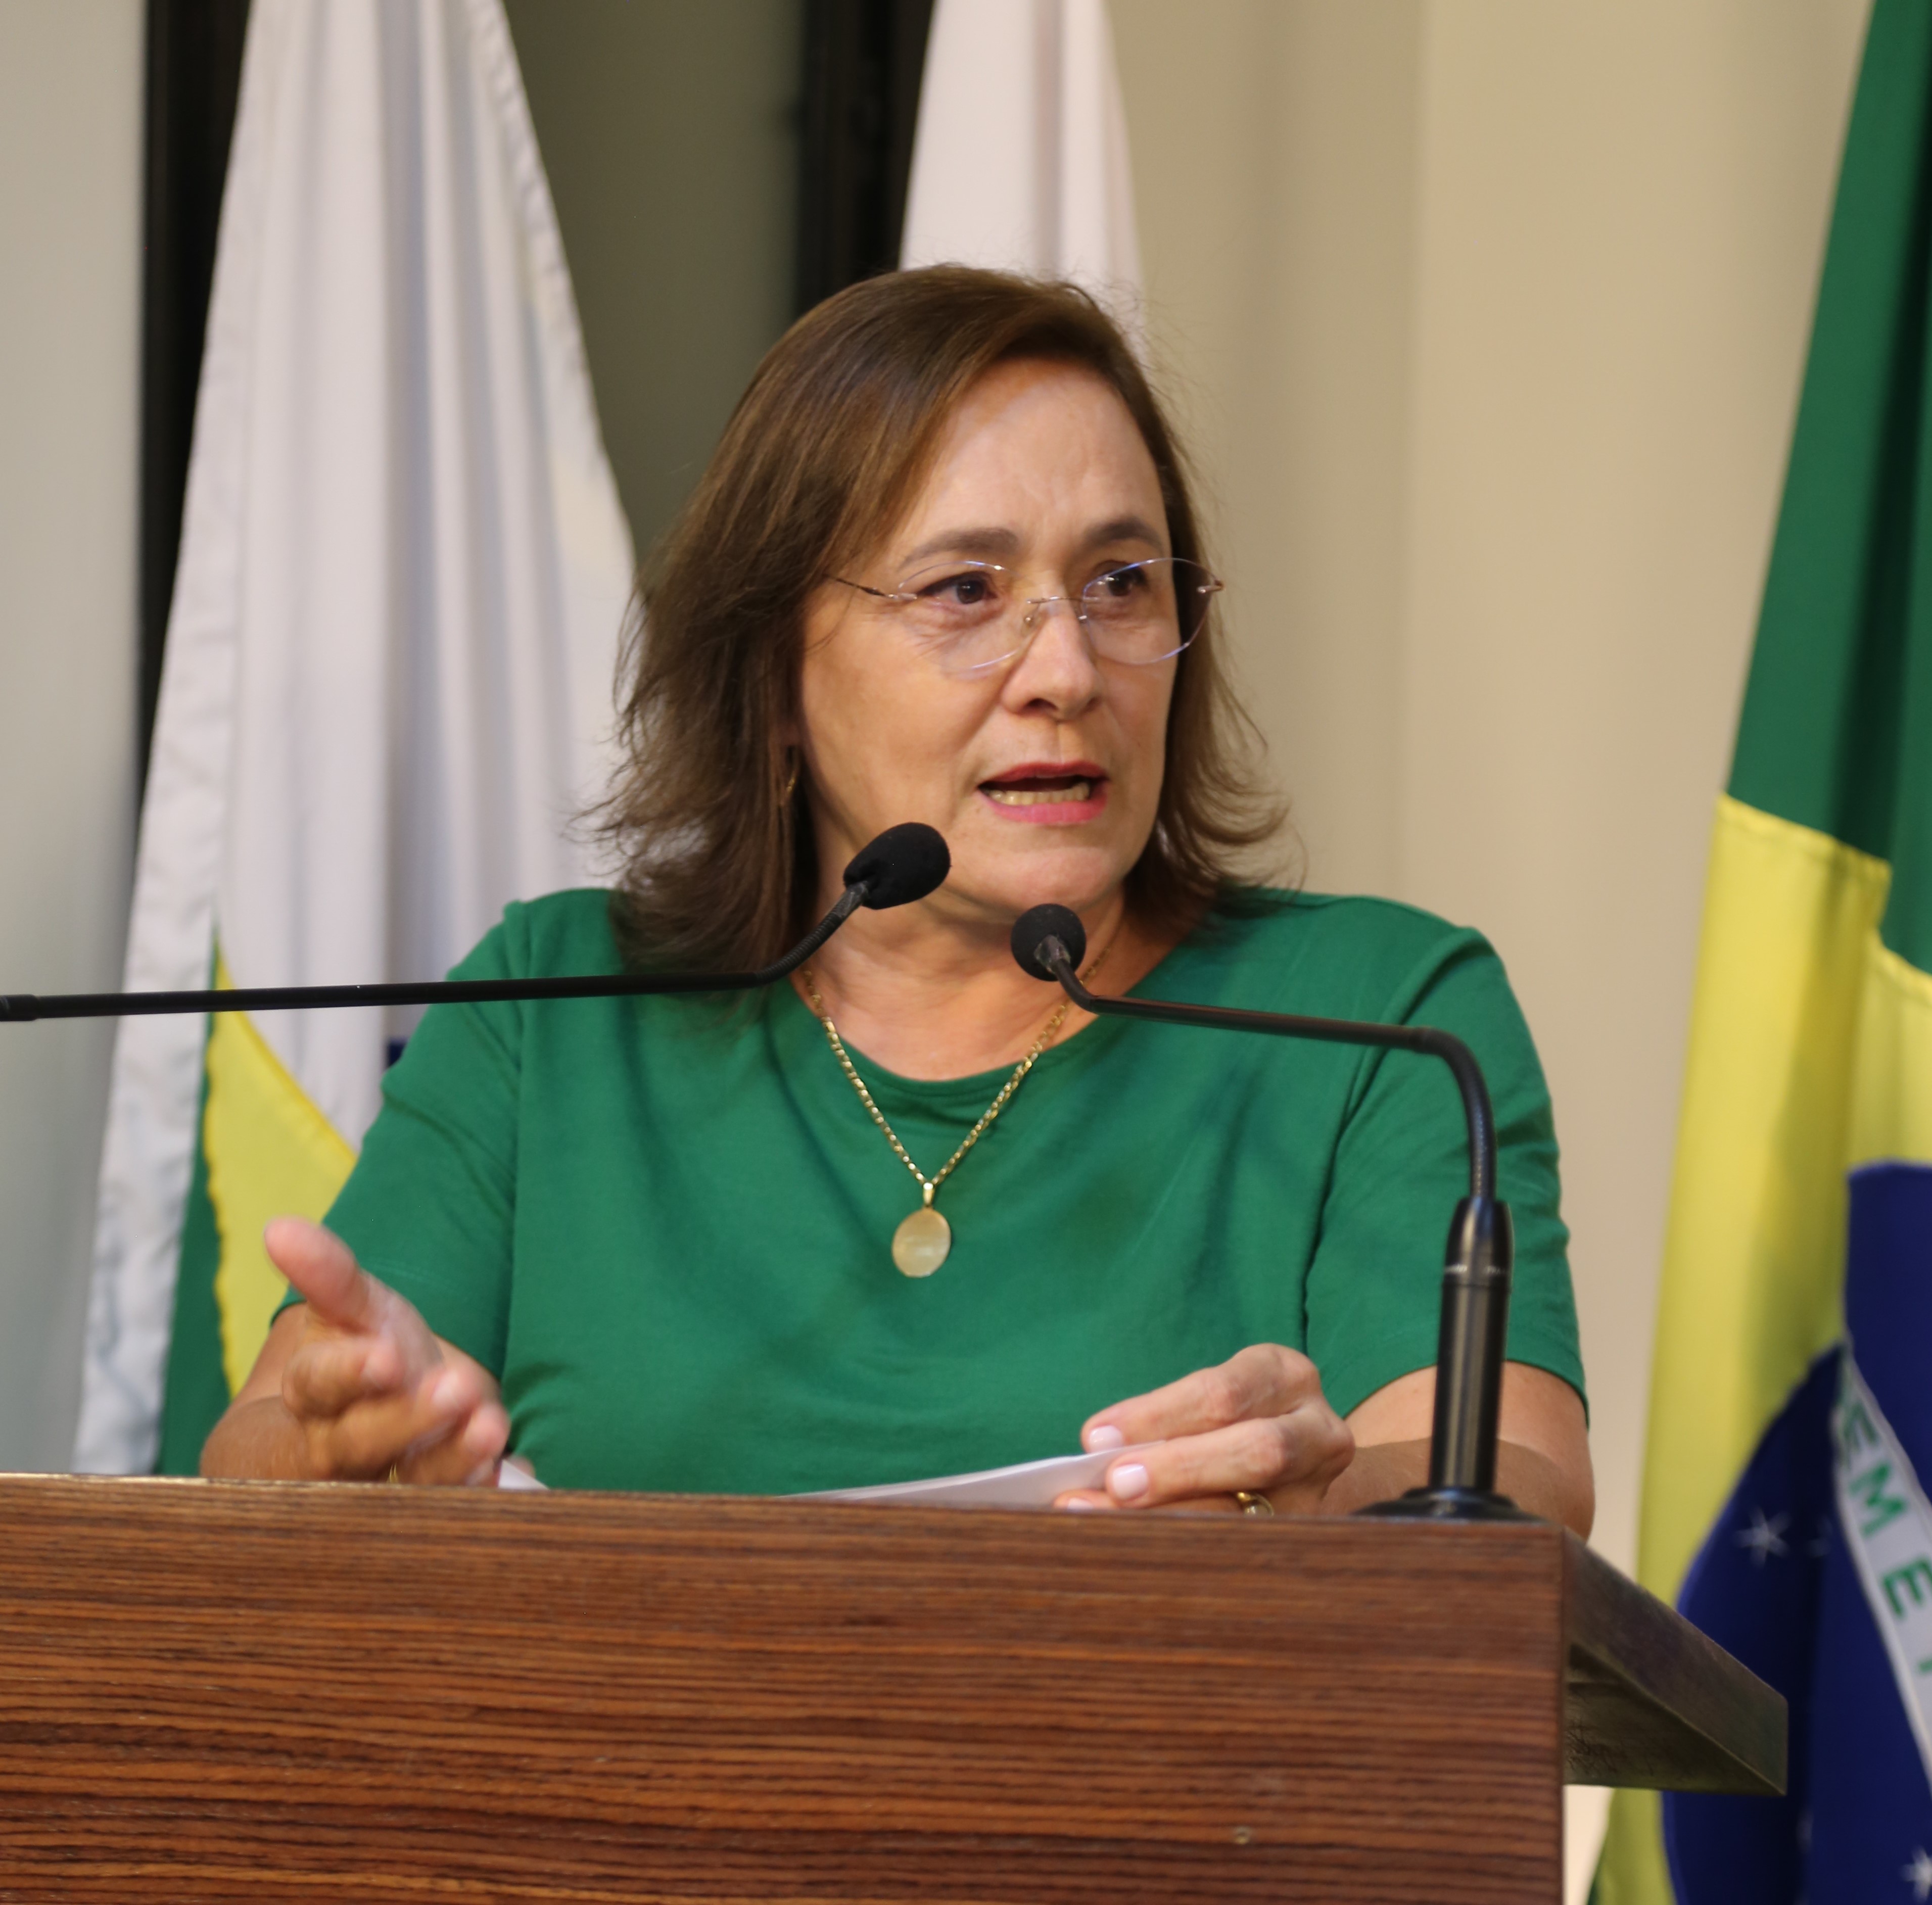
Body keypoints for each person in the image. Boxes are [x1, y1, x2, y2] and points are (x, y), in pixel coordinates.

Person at [202, 267, 1592, 1532]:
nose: (1068, 671)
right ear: (775, 677)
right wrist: (353, 1439)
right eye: (965, 591)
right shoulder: (551, 1013)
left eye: (1121, 583)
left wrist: (1327, 1499)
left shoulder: (1384, 1022)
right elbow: (252, 1452)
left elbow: (1520, 1491)